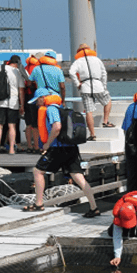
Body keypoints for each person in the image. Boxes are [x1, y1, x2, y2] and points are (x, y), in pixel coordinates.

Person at [22, 88, 100, 218]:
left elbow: (57, 127)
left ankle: (39, 203)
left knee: (38, 171)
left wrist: (47, 144)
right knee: (78, 177)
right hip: (71, 147)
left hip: (58, 148)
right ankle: (94, 207)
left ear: (43, 98)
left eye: (37, 101)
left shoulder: (51, 109)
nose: (37, 104)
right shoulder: (62, 107)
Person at [68, 43, 111, 139]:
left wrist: (77, 84)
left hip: (85, 86)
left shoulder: (78, 61)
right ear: (89, 49)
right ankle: (105, 121)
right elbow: (104, 73)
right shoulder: (97, 60)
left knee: (89, 111)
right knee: (107, 101)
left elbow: (71, 72)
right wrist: (104, 86)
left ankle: (92, 134)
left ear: (79, 52)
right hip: (98, 85)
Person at [0, 54, 25, 155]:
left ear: (9, 61)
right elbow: (21, 90)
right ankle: (12, 149)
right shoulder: (17, 72)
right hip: (13, 102)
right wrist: (22, 105)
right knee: (12, 126)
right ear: (17, 63)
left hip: (0, 101)